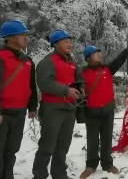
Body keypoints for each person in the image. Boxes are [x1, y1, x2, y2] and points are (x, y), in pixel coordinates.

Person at [32, 29, 86, 179]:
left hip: (69, 109)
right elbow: (45, 83)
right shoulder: (47, 62)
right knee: (47, 146)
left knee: (63, 146)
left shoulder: (73, 63)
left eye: (70, 41)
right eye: (66, 41)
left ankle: (59, 174)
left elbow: (80, 79)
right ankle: (39, 175)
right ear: (55, 44)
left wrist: (81, 88)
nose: (70, 44)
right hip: (52, 109)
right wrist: (65, 90)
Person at [79, 41, 128, 179]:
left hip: (108, 111)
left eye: (99, 53)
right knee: (92, 140)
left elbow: (119, 60)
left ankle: (107, 164)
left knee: (106, 139)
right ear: (88, 58)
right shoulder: (82, 73)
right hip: (92, 112)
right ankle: (91, 165)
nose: (99, 55)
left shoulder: (107, 69)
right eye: (95, 54)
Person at [0, 20, 37, 179]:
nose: (25, 37)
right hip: (3, 113)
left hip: (19, 112)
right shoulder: (1, 57)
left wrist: (32, 107)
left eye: (26, 34)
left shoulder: (27, 61)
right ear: (9, 37)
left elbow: (31, 85)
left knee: (11, 151)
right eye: (22, 34)